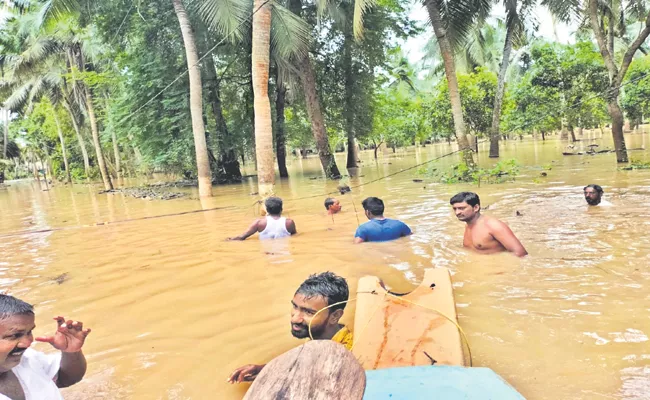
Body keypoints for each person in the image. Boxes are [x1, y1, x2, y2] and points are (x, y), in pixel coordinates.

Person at [227, 272, 353, 384]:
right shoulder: (321, 337)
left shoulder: (345, 357)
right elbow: (304, 365)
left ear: (335, 316)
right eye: (295, 307)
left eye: (309, 312)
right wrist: (262, 370)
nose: (294, 319)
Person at [0, 294, 91, 400]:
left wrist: (71, 352)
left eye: (29, 332)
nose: (28, 342)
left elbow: (65, 378)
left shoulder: (28, 359)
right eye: (14, 335)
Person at [450, 192, 528, 258]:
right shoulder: (468, 225)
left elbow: (521, 254)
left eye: (462, 208)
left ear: (476, 208)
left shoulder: (493, 226)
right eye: (455, 209)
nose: (457, 213)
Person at [228, 197, 297, 240]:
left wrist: (227, 240)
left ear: (267, 210)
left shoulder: (259, 223)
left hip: (267, 253)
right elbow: (294, 236)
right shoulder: (289, 223)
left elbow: (242, 237)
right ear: (281, 209)